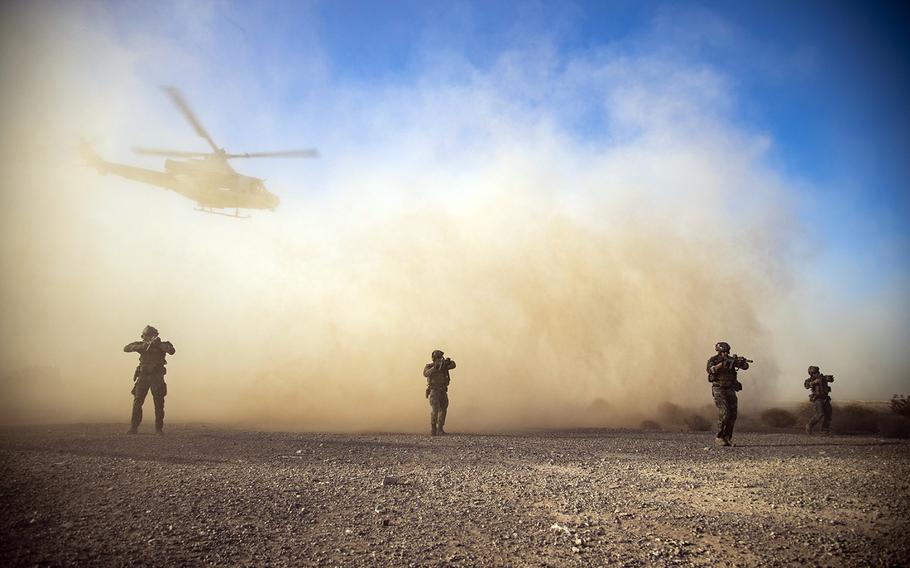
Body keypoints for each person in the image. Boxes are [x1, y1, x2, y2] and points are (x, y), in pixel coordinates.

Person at [124, 325, 175, 435]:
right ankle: (134, 427)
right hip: (143, 376)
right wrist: (143, 346)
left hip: (157, 377)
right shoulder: (142, 345)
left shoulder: (163, 345)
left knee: (159, 403)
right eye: (146, 336)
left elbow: (172, 350)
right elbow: (126, 348)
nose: (148, 338)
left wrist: (159, 345)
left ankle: (158, 429)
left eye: (150, 336)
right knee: (138, 401)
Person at [706, 341, 752, 446]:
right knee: (725, 412)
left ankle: (727, 437)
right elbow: (710, 370)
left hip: (730, 388)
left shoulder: (731, 360)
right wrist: (720, 366)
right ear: (718, 352)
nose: (725, 354)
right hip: (719, 389)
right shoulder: (713, 360)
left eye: (727, 352)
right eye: (723, 352)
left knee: (733, 415)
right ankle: (719, 436)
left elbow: (745, 367)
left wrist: (741, 362)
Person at [423, 350, 456, 436]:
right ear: (434, 358)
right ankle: (433, 429)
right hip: (434, 390)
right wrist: (434, 367)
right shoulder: (429, 366)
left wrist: (448, 362)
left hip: (443, 390)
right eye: (439, 357)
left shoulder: (444, 366)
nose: (440, 359)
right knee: (435, 410)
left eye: (441, 357)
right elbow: (425, 374)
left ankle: (440, 429)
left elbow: (453, 365)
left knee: (444, 409)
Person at [804, 366, 834, 435]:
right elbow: (806, 385)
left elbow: (830, 379)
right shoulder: (810, 379)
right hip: (817, 399)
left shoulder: (823, 378)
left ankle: (824, 430)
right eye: (814, 373)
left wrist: (829, 378)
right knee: (819, 414)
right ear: (811, 374)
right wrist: (814, 382)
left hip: (825, 398)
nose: (817, 374)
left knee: (828, 415)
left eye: (817, 372)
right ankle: (809, 425)